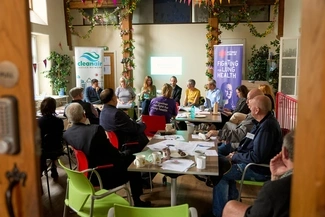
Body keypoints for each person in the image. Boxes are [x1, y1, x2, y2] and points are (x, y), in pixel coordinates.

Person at [208, 95, 283, 217]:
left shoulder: (267, 128)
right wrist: (236, 153)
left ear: (257, 110)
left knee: (218, 171)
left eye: (251, 106)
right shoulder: (262, 122)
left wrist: (236, 157)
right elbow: (249, 142)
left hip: (257, 169)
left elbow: (256, 157)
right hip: (247, 161)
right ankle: (231, 204)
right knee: (221, 165)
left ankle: (219, 213)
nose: (249, 110)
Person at [63, 103, 150, 207]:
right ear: (84, 114)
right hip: (103, 175)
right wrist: (125, 154)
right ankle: (137, 201)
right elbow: (113, 154)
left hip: (85, 174)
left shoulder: (67, 134)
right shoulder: (95, 130)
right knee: (133, 162)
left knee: (129, 156)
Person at [222, 130, 295, 217]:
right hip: (251, 165)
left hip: (256, 169)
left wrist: (235, 156)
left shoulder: (275, 190)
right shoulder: (313, 182)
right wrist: (275, 177)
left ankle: (218, 210)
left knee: (221, 172)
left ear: (284, 152)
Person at [206, 88, 264, 156]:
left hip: (239, 148)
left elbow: (241, 135)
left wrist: (235, 156)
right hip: (238, 146)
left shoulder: (260, 121)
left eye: (249, 99)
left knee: (213, 153)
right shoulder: (254, 115)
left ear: (258, 101)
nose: (246, 102)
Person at [38, 97, 64, 179]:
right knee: (52, 142)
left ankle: (41, 170)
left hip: (44, 151)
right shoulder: (59, 121)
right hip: (58, 148)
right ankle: (54, 165)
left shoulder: (39, 122)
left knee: (42, 146)